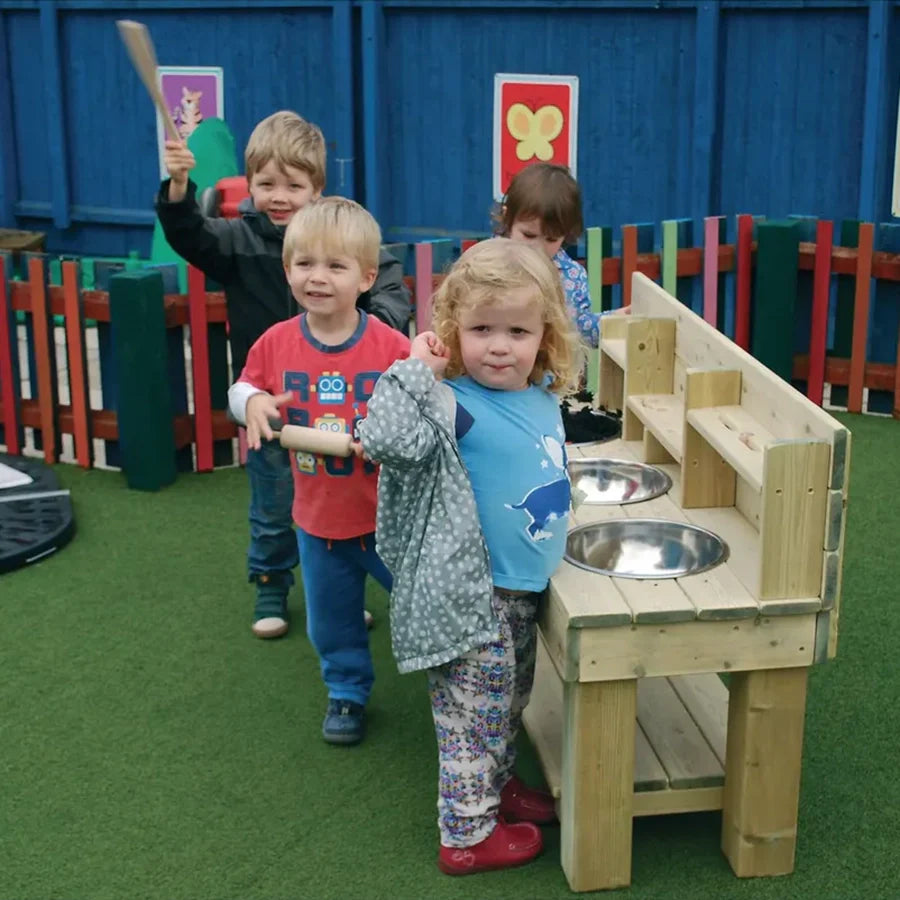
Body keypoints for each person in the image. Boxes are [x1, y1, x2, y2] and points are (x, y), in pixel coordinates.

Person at [357, 239, 584, 874]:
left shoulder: (540, 397)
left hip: (518, 591)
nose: (499, 345)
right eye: (482, 329)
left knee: (508, 702)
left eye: (517, 329)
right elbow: (381, 440)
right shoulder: (452, 401)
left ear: (545, 335)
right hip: (471, 596)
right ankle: (466, 834)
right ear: (455, 332)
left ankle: (498, 789)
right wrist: (413, 371)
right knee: (469, 719)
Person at [156, 110, 410, 639]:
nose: (278, 196)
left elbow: (387, 291)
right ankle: (271, 583)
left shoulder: (344, 243)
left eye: (293, 185)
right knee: (274, 505)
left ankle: (342, 589)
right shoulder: (238, 240)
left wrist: (354, 338)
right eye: (265, 183)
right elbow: (189, 237)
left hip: (344, 411)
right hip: (274, 413)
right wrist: (180, 186)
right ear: (248, 186)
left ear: (316, 189)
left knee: (351, 506)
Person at [227, 197, 410, 745]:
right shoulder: (277, 342)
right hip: (318, 522)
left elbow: (423, 408)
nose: (318, 278)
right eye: (304, 264)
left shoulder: (390, 346)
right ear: (287, 272)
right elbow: (243, 387)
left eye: (335, 266)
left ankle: (448, 677)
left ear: (367, 277)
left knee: (418, 599)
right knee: (331, 621)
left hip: (387, 520)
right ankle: (348, 691)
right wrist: (251, 404)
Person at [495, 162, 627, 348]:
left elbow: (580, 330)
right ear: (508, 219)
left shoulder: (570, 276)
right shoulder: (485, 264)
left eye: (551, 239)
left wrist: (615, 321)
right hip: (494, 368)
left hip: (551, 373)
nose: (538, 248)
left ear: (566, 234)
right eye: (528, 235)